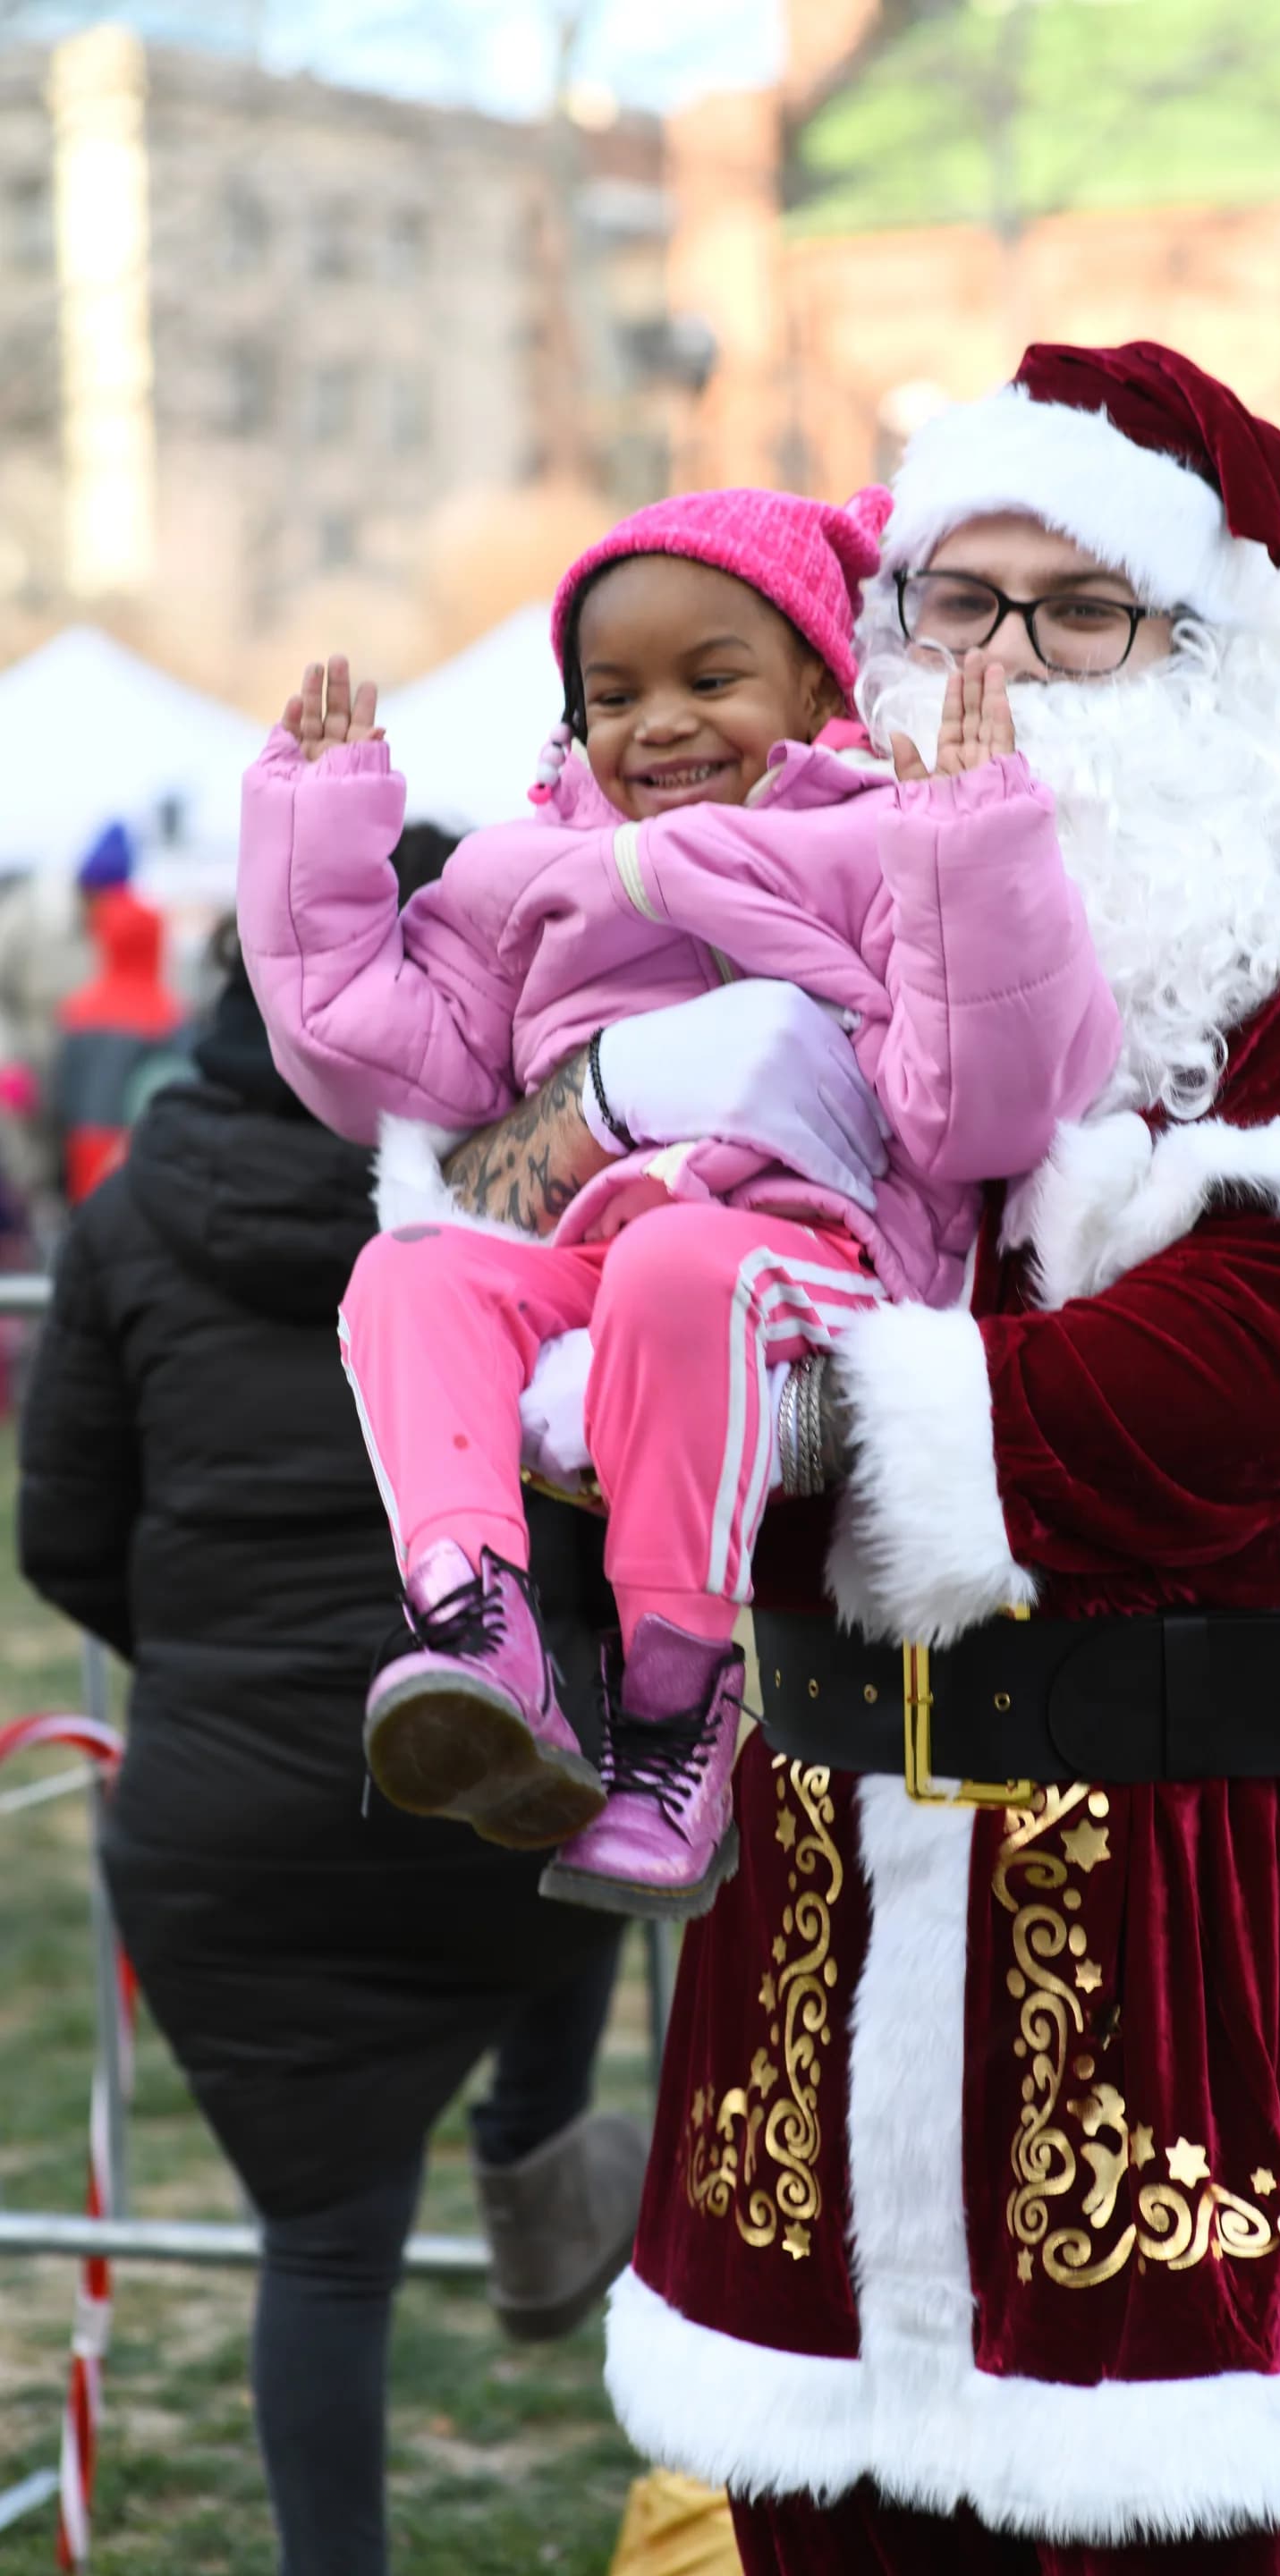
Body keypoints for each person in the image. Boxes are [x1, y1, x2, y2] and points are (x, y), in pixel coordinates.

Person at [462, 340, 1280, 2575]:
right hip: (819, 1918)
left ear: (1206, 654)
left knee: (1173, 2532)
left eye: (1077, 612)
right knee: (822, 2523)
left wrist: (721, 1412)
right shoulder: (801, 941)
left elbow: (1216, 1400)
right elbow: (602, 1237)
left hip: (1199, 1931)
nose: (1003, 667)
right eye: (952, 607)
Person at [238, 484, 1120, 1919]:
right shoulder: (522, 872)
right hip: (595, 1248)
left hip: (823, 1250)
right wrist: (314, 847)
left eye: (711, 680)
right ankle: (478, 1620)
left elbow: (979, 1102)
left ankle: (672, 1712)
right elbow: (381, 1054)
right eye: (614, 694)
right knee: (409, 1273)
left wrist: (968, 851)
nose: (658, 723)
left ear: (820, 683)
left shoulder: (875, 840)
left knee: (687, 1268)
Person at [17, 913, 646, 2576]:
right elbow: (606, 1517)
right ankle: (533, 2157)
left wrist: (221, 1680)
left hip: (223, 1826)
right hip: (484, 1803)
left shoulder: (132, 1211)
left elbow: (62, 1533)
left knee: (327, 2248)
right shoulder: (549, 1206)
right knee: (571, 1849)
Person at [55, 871, 188, 1206]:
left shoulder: (77, 1010)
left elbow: (61, 1094)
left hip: (83, 1150)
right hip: (141, 1154)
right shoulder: (171, 1014)